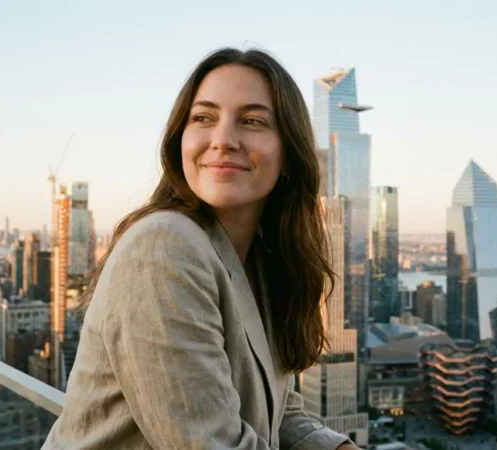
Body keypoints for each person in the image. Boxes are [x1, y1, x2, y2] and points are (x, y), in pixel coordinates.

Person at [41, 47, 361, 450]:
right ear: (180, 140)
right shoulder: (163, 247)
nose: (223, 140)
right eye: (203, 118)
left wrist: (336, 446)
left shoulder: (260, 260)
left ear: (288, 153)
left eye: (251, 121)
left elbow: (272, 405)